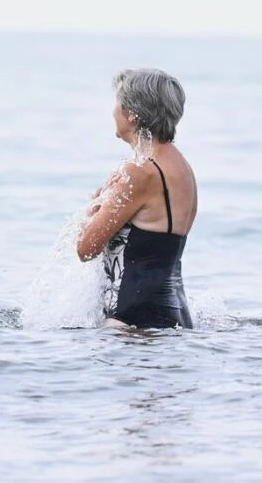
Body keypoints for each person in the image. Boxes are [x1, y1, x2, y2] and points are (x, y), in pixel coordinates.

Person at [77, 68, 197, 329]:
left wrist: (96, 206)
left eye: (117, 101)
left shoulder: (139, 173)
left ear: (132, 113)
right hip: (174, 316)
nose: (112, 110)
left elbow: (86, 248)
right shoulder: (181, 168)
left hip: (132, 322)